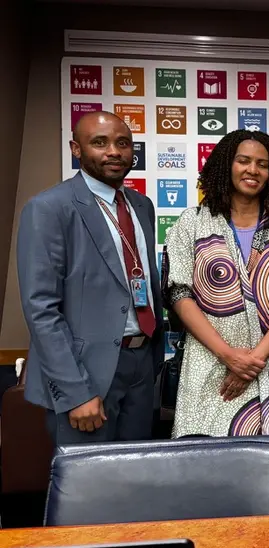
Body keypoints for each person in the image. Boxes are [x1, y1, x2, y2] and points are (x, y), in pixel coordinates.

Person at [163, 129, 269, 438]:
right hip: (209, 362)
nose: (253, 170)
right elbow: (179, 293)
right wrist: (229, 356)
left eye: (262, 164)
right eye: (244, 161)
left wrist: (255, 358)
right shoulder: (192, 222)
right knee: (205, 457)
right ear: (226, 165)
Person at [18, 111, 163, 444]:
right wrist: (75, 392)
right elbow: (41, 309)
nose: (114, 151)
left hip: (141, 363)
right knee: (88, 487)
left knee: (136, 479)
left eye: (123, 143)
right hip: (86, 373)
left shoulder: (141, 206)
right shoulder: (50, 208)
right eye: (100, 142)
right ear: (76, 149)